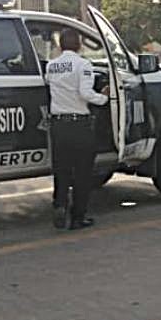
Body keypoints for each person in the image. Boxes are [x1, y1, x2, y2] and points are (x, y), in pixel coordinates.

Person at [45, 27, 109, 230]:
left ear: (61, 45)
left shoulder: (51, 66)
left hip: (58, 125)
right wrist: (104, 97)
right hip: (79, 125)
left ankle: (60, 205)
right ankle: (78, 217)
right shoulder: (83, 64)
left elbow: (50, 83)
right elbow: (86, 93)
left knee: (61, 171)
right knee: (82, 173)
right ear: (79, 45)